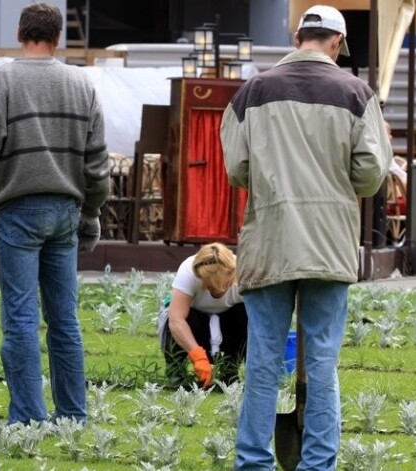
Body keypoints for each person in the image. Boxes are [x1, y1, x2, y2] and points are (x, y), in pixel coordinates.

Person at [221, 5, 392, 470]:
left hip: (269, 240)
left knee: (261, 362)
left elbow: (237, 170)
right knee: (322, 365)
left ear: (299, 36)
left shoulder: (251, 92)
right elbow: (371, 173)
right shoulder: (357, 94)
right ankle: (318, 464)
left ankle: (253, 461)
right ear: (336, 42)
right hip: (328, 243)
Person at [0, 3, 109, 425]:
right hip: (66, 210)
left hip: (18, 209)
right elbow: (97, 165)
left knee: (21, 318)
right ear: (58, 38)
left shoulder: (5, 79)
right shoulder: (81, 83)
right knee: (64, 319)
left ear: (20, 32)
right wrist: (92, 213)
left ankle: (29, 417)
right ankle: (73, 414)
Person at [157, 243, 247, 388]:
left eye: (224, 285)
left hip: (230, 322)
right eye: (210, 286)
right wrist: (198, 356)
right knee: (172, 314)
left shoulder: (245, 272)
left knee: (246, 313)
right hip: (195, 320)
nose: (218, 292)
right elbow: (176, 320)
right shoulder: (188, 270)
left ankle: (229, 372)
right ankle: (177, 374)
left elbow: (260, 322)